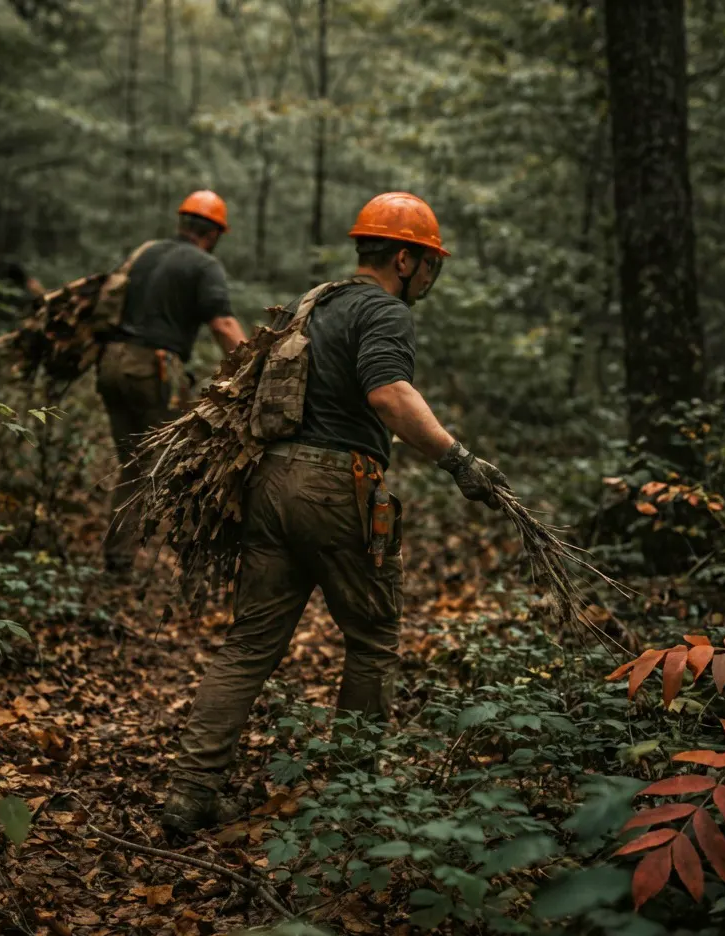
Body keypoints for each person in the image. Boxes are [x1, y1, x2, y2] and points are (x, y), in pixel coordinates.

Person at [160, 191, 509, 838]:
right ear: (404, 259)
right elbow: (390, 395)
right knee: (372, 639)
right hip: (336, 486)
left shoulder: (314, 302)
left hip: (269, 482)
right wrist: (458, 460)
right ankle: (352, 802)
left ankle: (189, 793)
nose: (430, 275)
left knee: (249, 645)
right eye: (429, 262)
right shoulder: (385, 311)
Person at [98, 190, 247, 577]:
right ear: (213, 234)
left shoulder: (144, 252)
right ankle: (189, 558)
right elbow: (223, 324)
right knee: (165, 465)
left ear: (182, 223)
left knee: (134, 464)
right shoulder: (204, 264)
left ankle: (119, 559)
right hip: (152, 370)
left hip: (110, 363)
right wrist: (256, 364)